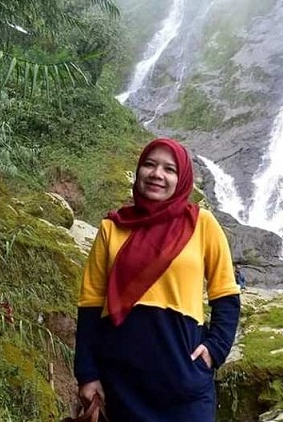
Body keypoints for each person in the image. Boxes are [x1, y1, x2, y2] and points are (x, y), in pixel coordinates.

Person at [74, 138, 241, 422]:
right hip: (121, 382)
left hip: (185, 382)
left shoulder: (202, 224)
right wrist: (87, 374)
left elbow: (225, 295)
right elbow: (90, 306)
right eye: (149, 165)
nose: (157, 174)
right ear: (138, 171)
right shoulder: (111, 228)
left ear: (183, 178)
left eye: (169, 169)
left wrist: (215, 349)